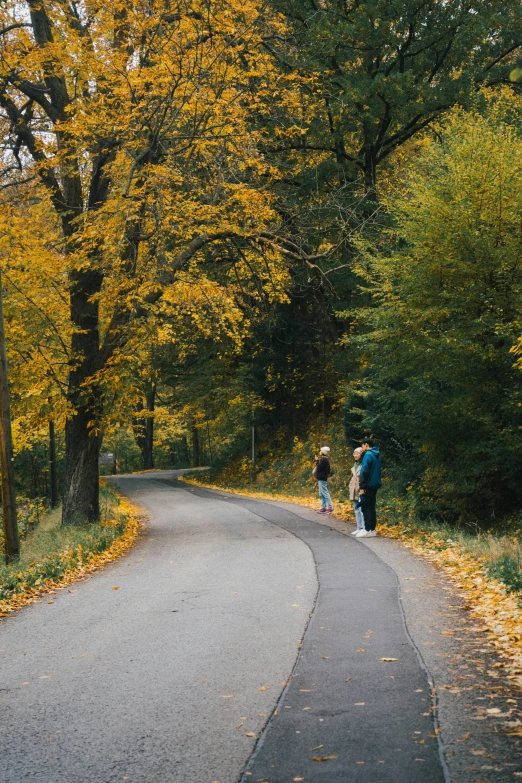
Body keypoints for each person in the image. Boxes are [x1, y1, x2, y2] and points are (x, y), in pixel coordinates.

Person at [355, 438, 382, 538]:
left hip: (368, 484)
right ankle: (372, 529)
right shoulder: (376, 454)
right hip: (375, 484)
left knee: (365, 506)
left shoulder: (368, 454)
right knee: (372, 506)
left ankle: (366, 529)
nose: (361, 448)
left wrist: (362, 487)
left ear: (366, 445)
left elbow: (364, 471)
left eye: (362, 446)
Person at [349, 447, 365, 535]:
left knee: (361, 509)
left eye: (357, 453)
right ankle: (359, 527)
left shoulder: (363, 465)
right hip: (354, 489)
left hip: (360, 489)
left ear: (361, 454)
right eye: (354, 453)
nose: (355, 455)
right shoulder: (355, 465)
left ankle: (364, 527)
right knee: (356, 508)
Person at [315, 446, 333, 514]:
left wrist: (317, 461)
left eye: (321, 450)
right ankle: (323, 507)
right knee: (321, 493)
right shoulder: (325, 459)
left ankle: (330, 507)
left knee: (324, 493)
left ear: (322, 452)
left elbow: (319, 468)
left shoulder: (324, 459)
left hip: (322, 478)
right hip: (322, 478)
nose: (320, 451)